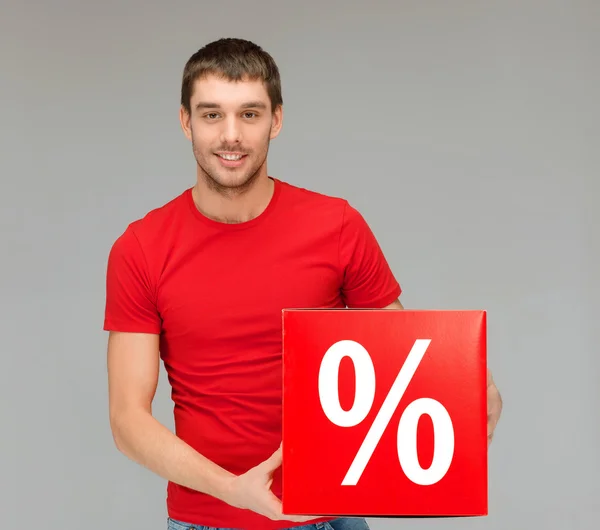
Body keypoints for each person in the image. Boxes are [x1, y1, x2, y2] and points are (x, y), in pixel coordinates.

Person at [103, 37, 503, 530]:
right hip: (207, 520)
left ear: (276, 120)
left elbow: (404, 356)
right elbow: (127, 421)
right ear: (186, 121)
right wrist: (234, 489)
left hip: (329, 517)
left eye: (249, 114)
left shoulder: (335, 225)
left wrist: (462, 389)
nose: (231, 135)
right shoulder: (141, 249)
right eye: (212, 115)